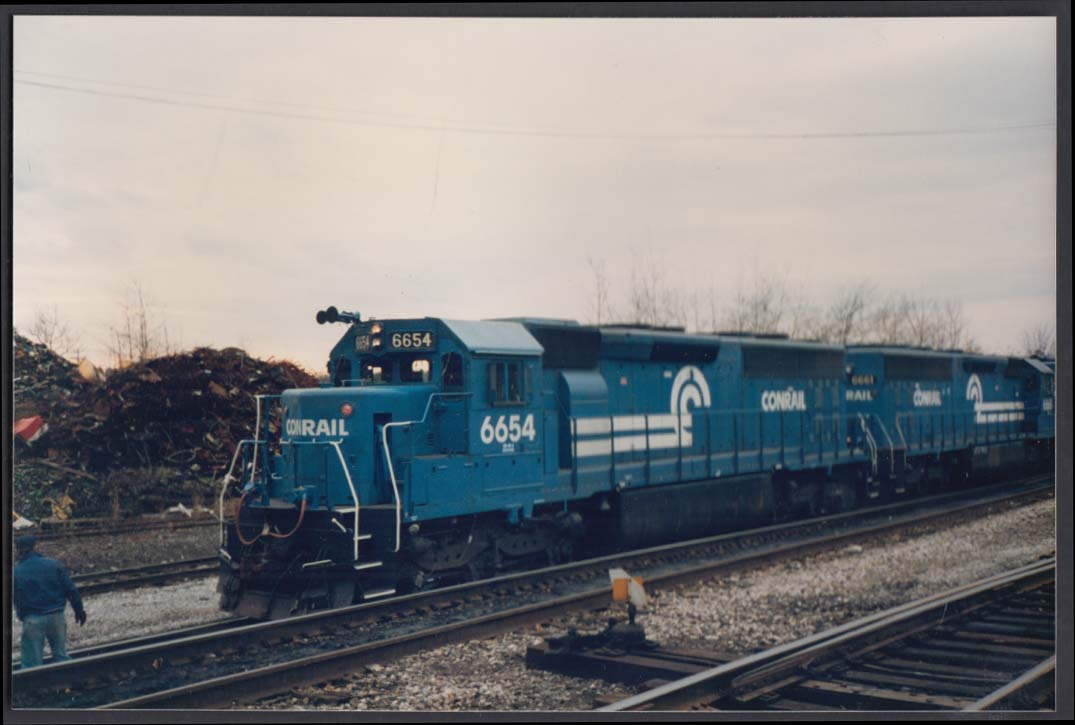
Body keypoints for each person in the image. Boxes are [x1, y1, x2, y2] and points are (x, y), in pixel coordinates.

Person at [14, 535, 86, 668]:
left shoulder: (17, 571)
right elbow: (71, 590)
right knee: (61, 656)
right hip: (56, 616)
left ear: (18, 550)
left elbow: (15, 598)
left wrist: (22, 616)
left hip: (33, 619)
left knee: (32, 663)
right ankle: (66, 684)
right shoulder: (53, 564)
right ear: (34, 547)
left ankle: (35, 688)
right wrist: (79, 610)